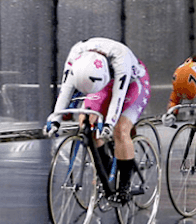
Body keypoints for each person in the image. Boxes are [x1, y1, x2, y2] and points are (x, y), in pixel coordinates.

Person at [44, 37, 151, 205]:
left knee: (120, 129)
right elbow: (65, 91)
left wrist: (109, 123)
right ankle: (106, 166)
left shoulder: (120, 59)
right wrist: (54, 119)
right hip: (100, 83)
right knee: (86, 121)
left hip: (132, 83)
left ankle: (124, 187)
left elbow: (118, 97)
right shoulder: (75, 56)